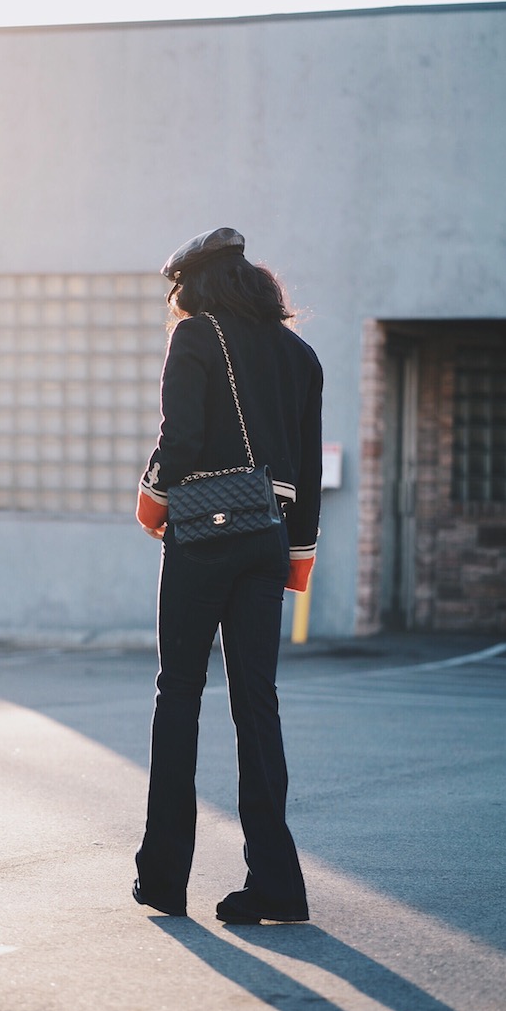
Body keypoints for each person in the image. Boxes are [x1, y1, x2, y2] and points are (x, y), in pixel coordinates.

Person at [132, 227, 323, 924]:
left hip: (204, 537)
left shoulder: (196, 338)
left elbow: (178, 441)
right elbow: (308, 470)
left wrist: (151, 502)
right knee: (257, 703)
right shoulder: (299, 355)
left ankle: (164, 878)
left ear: (197, 286)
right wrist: (296, 559)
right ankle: (277, 883)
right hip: (268, 541)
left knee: (178, 694)